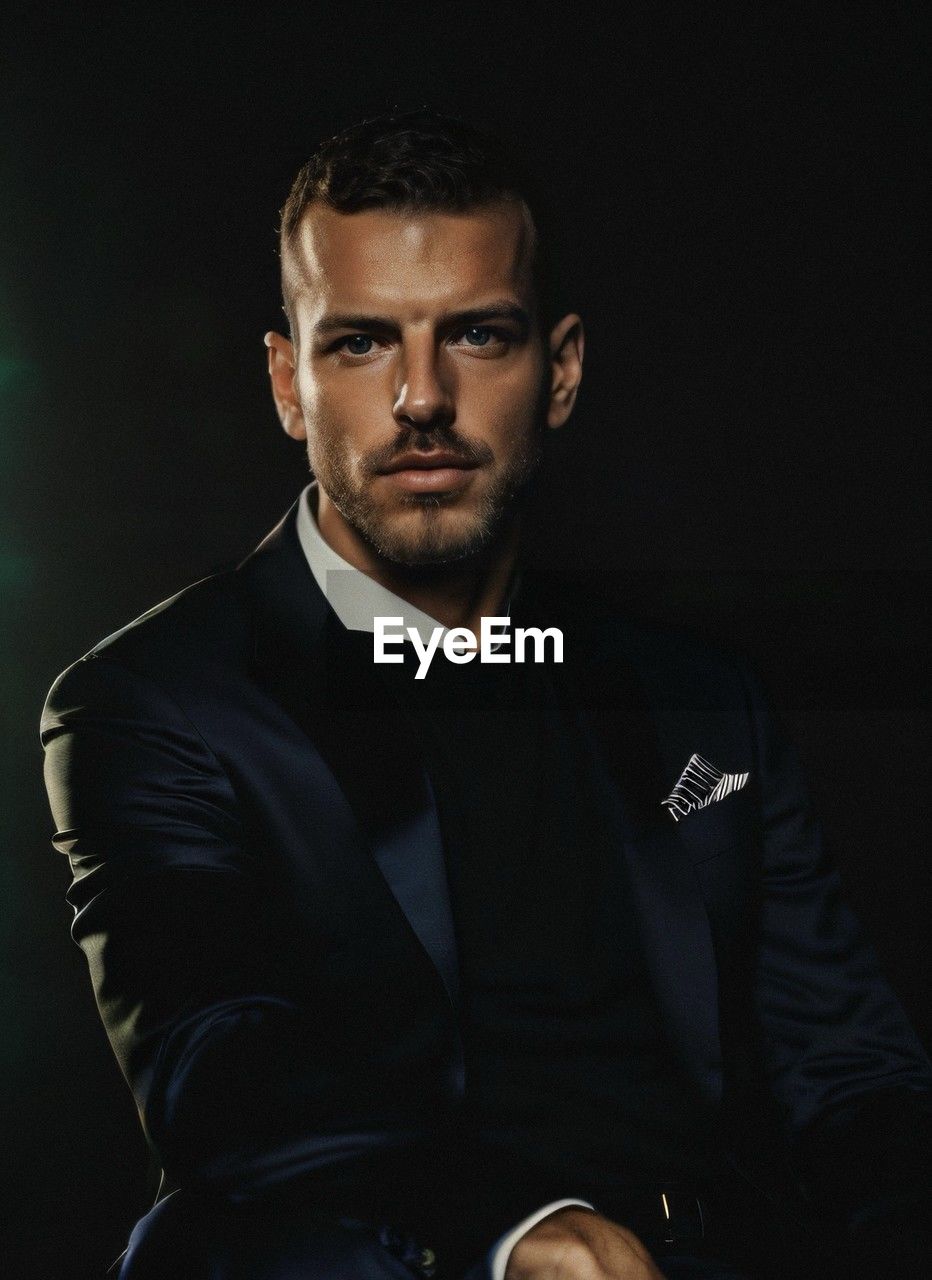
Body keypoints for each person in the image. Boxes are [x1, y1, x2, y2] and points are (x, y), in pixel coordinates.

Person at [40, 109, 931, 1280]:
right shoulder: (153, 702)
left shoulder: (694, 698)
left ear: (557, 370)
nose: (421, 395)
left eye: (477, 335)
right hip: (392, 1250)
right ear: (287, 381)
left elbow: (850, 1074)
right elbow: (222, 1075)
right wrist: (514, 1230)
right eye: (359, 342)